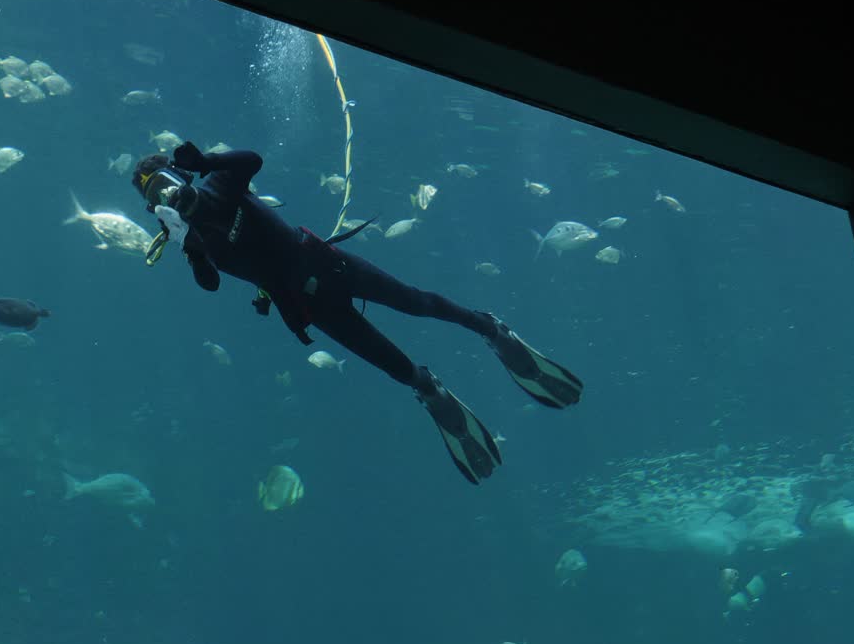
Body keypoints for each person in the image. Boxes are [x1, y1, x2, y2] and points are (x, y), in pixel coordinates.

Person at [131, 142, 584, 484]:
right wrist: (187, 248)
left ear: (179, 176)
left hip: (330, 266)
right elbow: (209, 284)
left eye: (167, 184)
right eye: (157, 197)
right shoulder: (190, 237)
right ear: (154, 209)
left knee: (413, 301)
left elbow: (252, 161)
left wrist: (206, 161)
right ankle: (429, 389)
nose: (168, 197)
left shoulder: (216, 185)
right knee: (390, 363)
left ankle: (489, 328)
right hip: (308, 303)